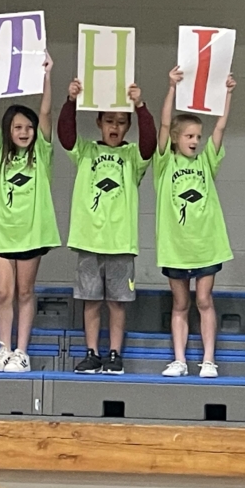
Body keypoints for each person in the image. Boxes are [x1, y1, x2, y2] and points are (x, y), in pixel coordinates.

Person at [59, 77, 156, 375]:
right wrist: (71, 101)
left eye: (122, 122)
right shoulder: (86, 151)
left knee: (117, 302)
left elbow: (150, 144)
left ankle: (114, 354)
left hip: (120, 242)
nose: (115, 127)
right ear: (99, 122)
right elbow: (65, 135)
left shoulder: (131, 156)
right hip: (88, 240)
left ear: (128, 126)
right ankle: (92, 353)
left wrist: (140, 106)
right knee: (90, 301)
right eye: (110, 121)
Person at [0, 50, 60, 374]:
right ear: (8, 131)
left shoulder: (41, 153)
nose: (25, 131)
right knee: (4, 291)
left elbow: (46, 110)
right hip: (1, 232)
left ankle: (21, 352)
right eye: (17, 127)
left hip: (30, 234)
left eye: (29, 127)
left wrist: (47, 75)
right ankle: (3, 348)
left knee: (25, 291)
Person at [155, 67, 235, 378]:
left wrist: (227, 94)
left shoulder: (205, 162)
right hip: (176, 246)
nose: (195, 141)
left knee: (203, 299)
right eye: (189, 136)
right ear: (176, 139)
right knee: (180, 303)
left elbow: (221, 128)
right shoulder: (165, 164)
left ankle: (209, 359)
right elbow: (164, 123)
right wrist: (170, 88)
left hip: (205, 245)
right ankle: (179, 360)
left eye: (198, 137)